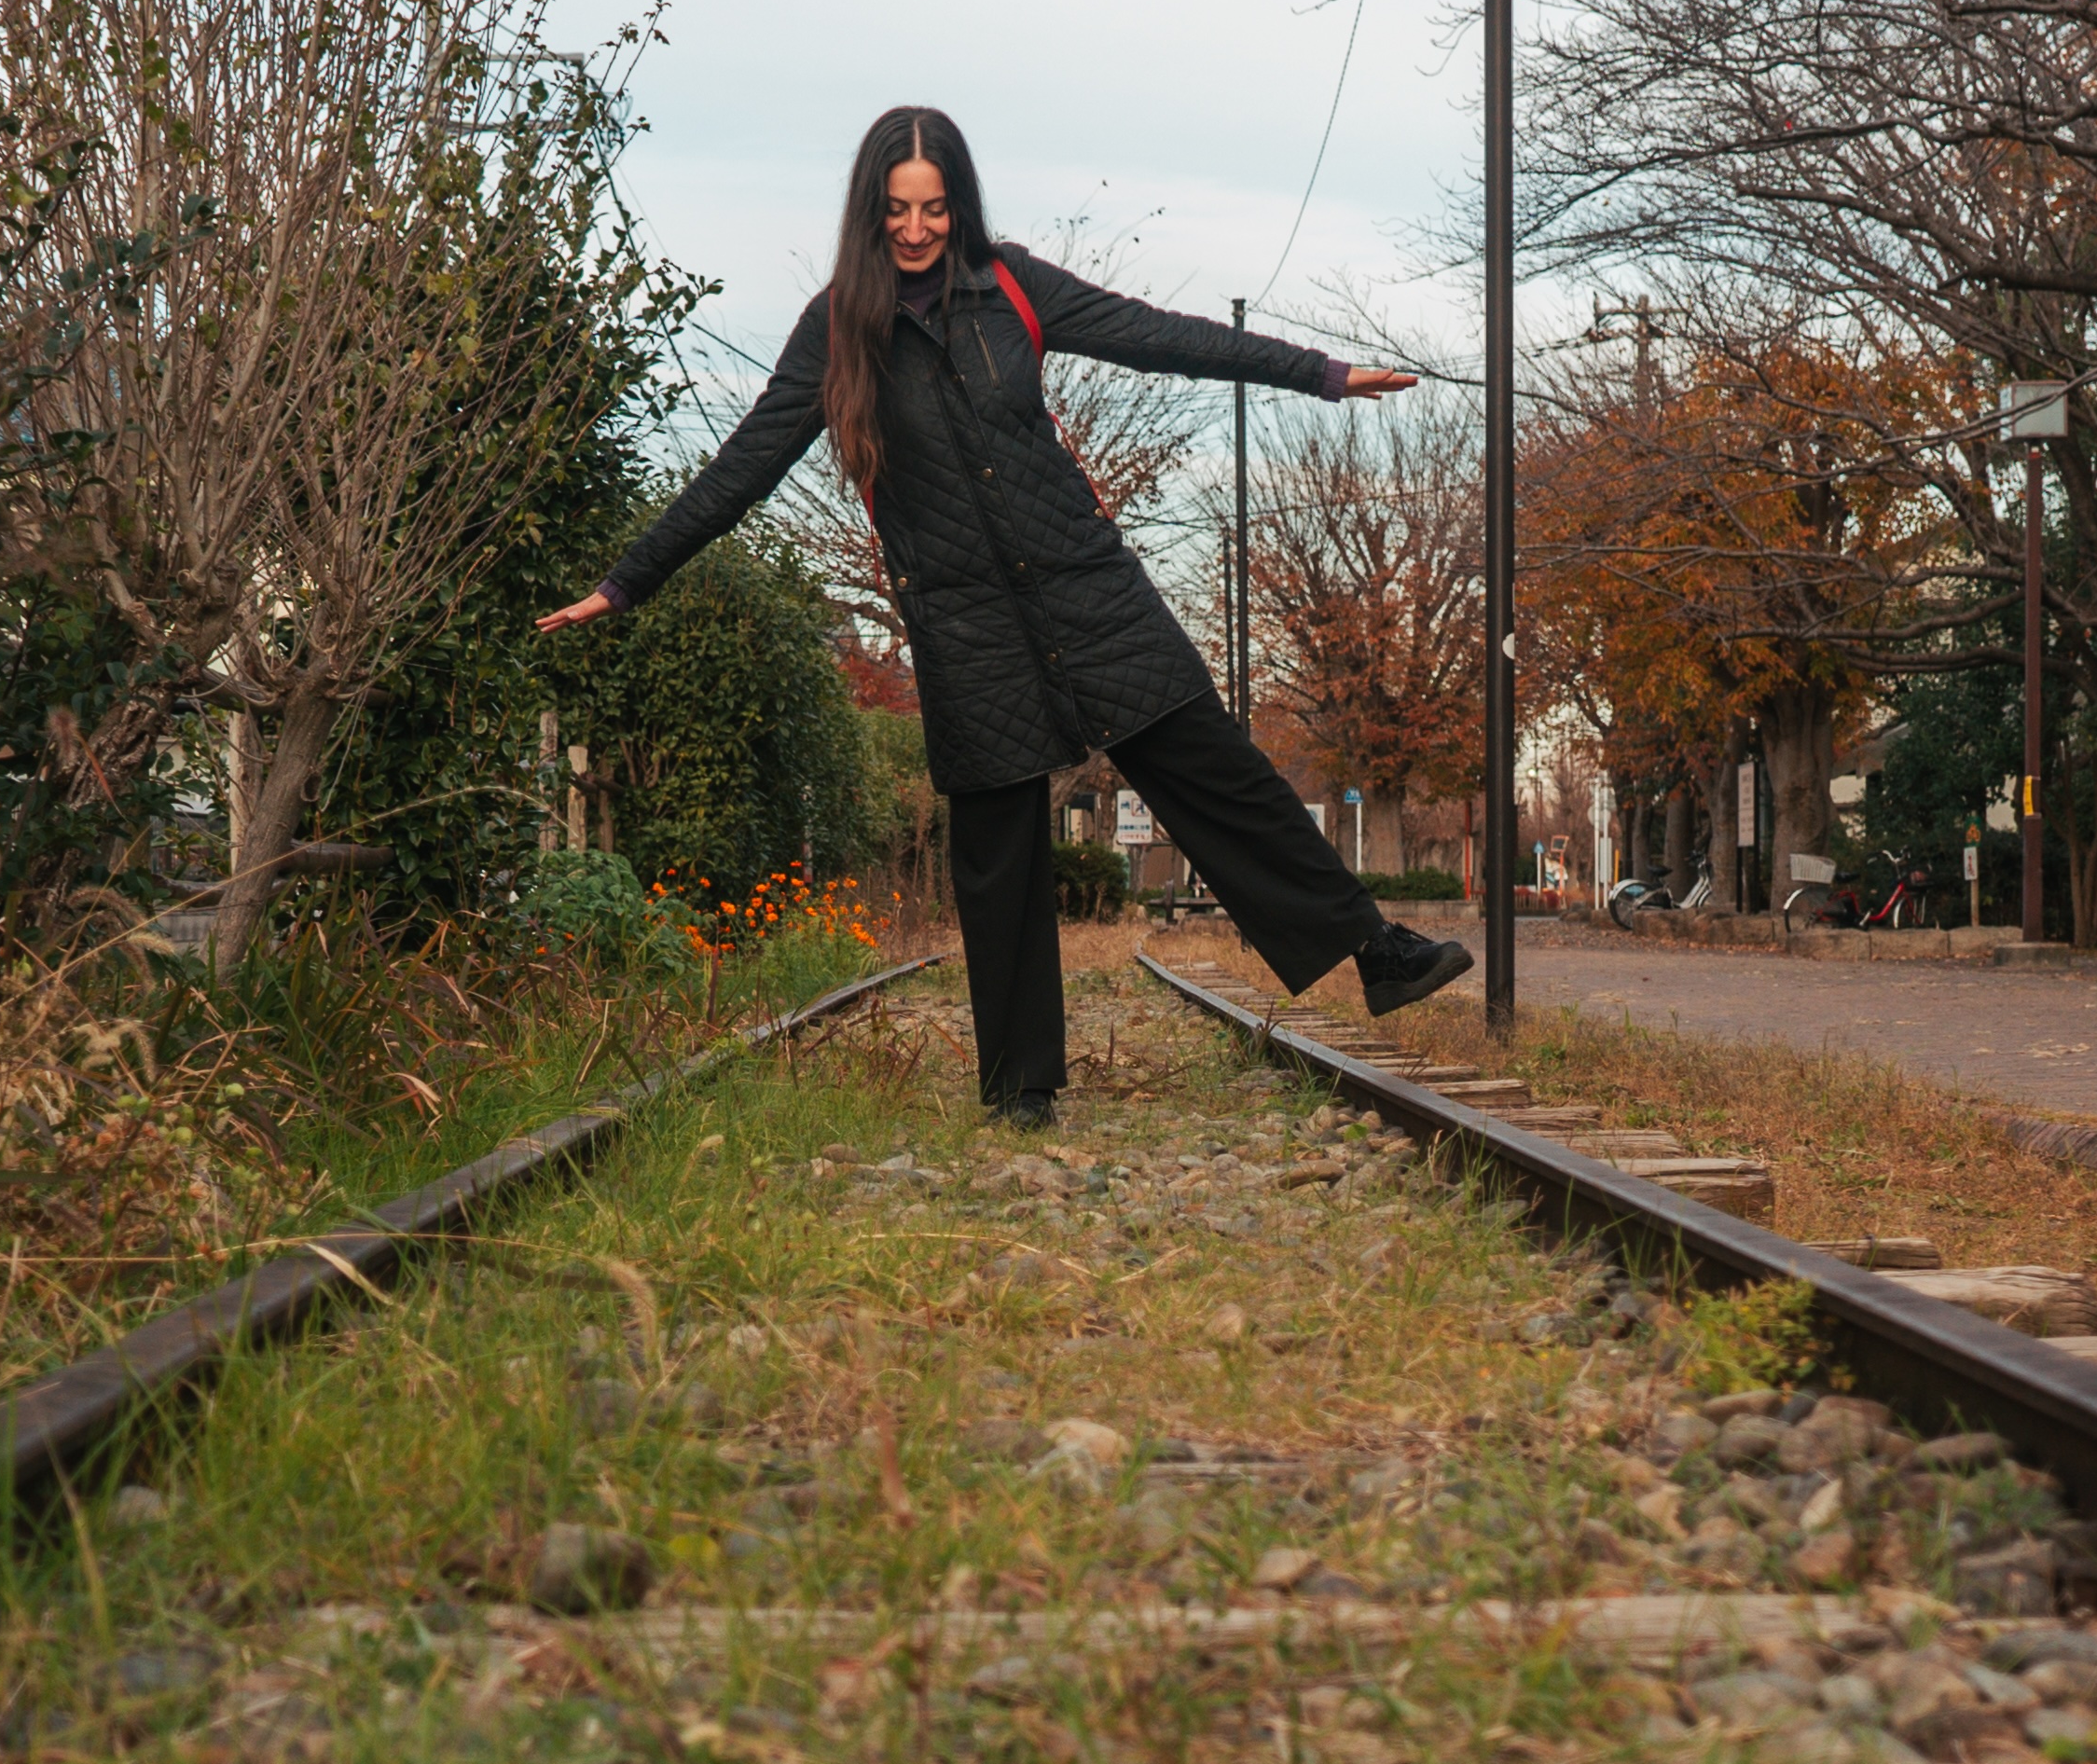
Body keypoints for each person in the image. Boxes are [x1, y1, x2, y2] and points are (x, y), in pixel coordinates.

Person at [540, 105, 1473, 1126]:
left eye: (935, 207)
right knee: (1000, 855)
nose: (916, 229)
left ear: (961, 204)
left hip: (1087, 583)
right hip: (964, 621)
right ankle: (1020, 1088)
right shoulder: (836, 328)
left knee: (1218, 770)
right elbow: (746, 465)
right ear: (869, 209)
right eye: (897, 209)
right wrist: (628, 580)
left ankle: (1375, 950)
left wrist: (1320, 375)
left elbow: (1159, 337)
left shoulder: (1013, 284)